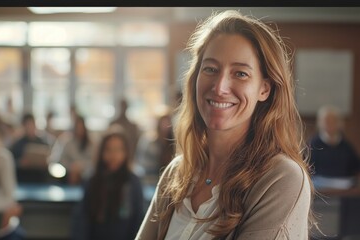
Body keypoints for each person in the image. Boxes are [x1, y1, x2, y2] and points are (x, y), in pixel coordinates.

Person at [135, 10, 314, 240]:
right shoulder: (178, 172)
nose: (220, 87)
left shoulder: (281, 178)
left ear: (264, 89)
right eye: (210, 69)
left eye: (240, 73)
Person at [71, 129, 144, 240]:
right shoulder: (92, 180)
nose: (113, 155)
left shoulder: (133, 182)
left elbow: (138, 219)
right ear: (101, 152)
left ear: (126, 152)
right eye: (108, 150)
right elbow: (82, 219)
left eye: (118, 150)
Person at [309, 105, 360, 190]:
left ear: (340, 123)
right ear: (319, 123)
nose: (330, 124)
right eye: (327, 121)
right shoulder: (312, 145)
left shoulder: (347, 146)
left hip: (344, 190)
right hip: (319, 190)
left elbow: (355, 167)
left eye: (334, 121)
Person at [48, 115, 95, 185]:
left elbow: (93, 161)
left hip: (85, 175)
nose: (79, 130)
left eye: (81, 127)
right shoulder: (66, 141)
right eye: (78, 127)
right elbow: (59, 159)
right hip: (67, 173)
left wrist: (81, 167)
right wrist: (71, 167)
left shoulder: (91, 143)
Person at [135, 113, 175, 186]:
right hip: (150, 180)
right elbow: (142, 163)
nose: (165, 125)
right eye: (163, 122)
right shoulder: (148, 142)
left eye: (167, 122)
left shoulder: (173, 143)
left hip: (169, 182)